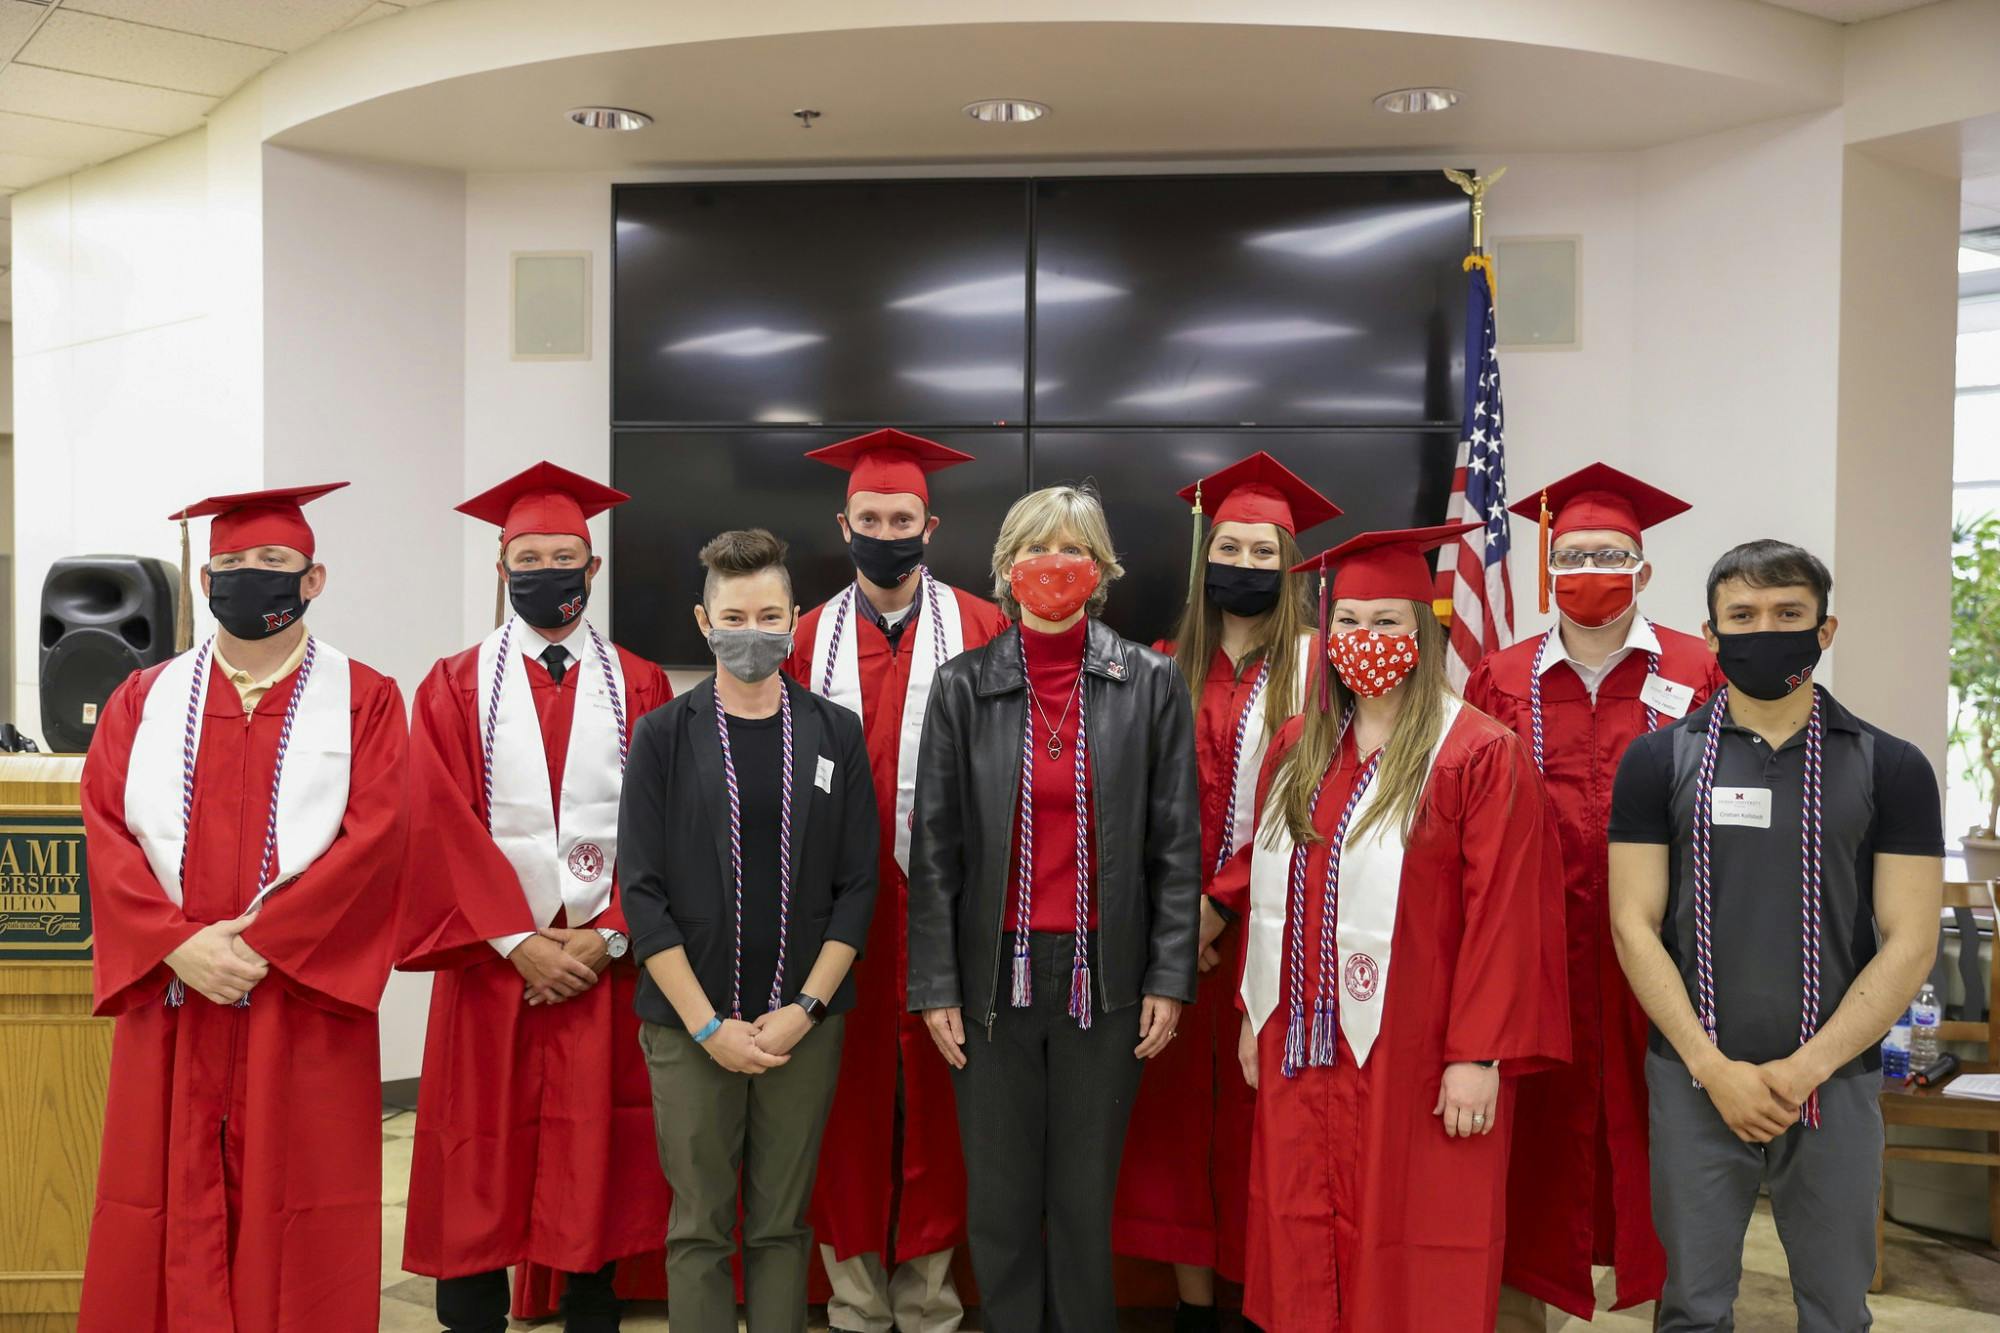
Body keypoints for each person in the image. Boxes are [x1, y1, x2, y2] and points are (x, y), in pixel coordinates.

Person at [1212, 522, 1568, 1333]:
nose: (1364, 640)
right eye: (1348, 623)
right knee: (1303, 1234)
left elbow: (1506, 920)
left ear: (1423, 630)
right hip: (1305, 1048)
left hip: (1417, 1055)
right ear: (1325, 631)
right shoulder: (1300, 748)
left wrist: (1477, 1056)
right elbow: (1275, 897)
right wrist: (1252, 1013)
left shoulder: (1477, 753)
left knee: (1415, 1249)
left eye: (1386, 625)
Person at [78, 484, 410, 1332]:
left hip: (296, 997)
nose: (250, 578)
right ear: (205, 581)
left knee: (301, 1196)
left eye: (273, 563)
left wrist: (257, 947)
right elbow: (107, 828)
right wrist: (176, 945)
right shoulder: (144, 697)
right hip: (176, 995)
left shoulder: (365, 698)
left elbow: (377, 837)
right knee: (159, 1193)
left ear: (314, 578)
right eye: (230, 565)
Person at [1608, 540, 1943, 1333]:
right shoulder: (1656, 762)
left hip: (1837, 1080)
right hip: (1695, 1077)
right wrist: (1709, 1065)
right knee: (1691, 1306)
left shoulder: (1893, 767)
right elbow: (1632, 920)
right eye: (1744, 617)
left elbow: (1911, 938)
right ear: (1712, 633)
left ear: (1825, 631)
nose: (1767, 630)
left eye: (1789, 614)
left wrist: (1806, 1067)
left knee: (1836, 1309)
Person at [907, 483, 1202, 1332]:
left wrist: (1169, 974)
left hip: (1102, 979)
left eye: (1073, 549)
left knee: (1082, 1200)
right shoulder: (962, 687)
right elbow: (935, 847)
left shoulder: (1149, 683)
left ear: (1102, 568)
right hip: (990, 979)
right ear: (1005, 567)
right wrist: (935, 985)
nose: (1054, 566)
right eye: (1037, 549)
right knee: (999, 1202)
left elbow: (1175, 843)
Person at [399, 463, 673, 1333]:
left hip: (602, 965)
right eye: (528, 555)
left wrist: (614, 933)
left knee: (598, 1151)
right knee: (479, 1146)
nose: (546, 570)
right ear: (501, 568)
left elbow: (668, 826)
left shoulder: (640, 683)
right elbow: (437, 823)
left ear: (591, 571)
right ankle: (470, 1315)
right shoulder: (453, 684)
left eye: (565, 555)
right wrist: (518, 939)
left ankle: (591, 1312)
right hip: (493, 967)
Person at [1461, 463, 1724, 1326]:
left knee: (1670, 1149)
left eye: (1609, 554)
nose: (1589, 571)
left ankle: (1681, 1309)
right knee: (1532, 1150)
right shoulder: (1500, 674)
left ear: (1644, 569)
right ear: (1546, 568)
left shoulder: (1698, 669)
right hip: (1539, 952)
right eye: (1570, 555)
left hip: (1668, 953)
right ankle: (1523, 1310)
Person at [622, 528, 878, 1333]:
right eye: (735, 615)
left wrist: (805, 1006)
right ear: (705, 622)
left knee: (780, 1224)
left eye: (770, 614)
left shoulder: (834, 731)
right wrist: (706, 1025)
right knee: (699, 1226)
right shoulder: (664, 734)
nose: (752, 631)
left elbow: (858, 884)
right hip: (690, 1028)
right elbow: (643, 893)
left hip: (803, 1022)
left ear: (796, 619)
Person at [784, 429, 1010, 1333]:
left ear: (931, 524)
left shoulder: (985, 628)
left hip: (947, 913)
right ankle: (853, 1299)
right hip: (836, 919)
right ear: (844, 524)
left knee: (942, 1106)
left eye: (901, 518)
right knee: (841, 1109)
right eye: (870, 517)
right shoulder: (804, 638)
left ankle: (930, 1298)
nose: (886, 531)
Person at [1113, 452, 1339, 1330]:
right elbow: (1128, 801)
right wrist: (1182, 913)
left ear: (1291, 567)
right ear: (1205, 556)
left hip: (1275, 935)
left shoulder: (1321, 669)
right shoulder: (1160, 665)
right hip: (1173, 936)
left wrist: (1222, 901)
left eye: (1262, 551)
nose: (1243, 565)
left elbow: (1317, 796)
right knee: (1172, 1126)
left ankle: (1262, 1305)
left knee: (1261, 1125)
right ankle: (1192, 1307)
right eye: (1229, 547)